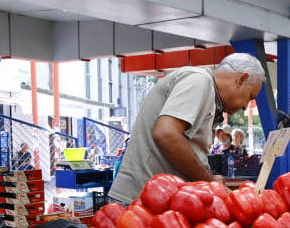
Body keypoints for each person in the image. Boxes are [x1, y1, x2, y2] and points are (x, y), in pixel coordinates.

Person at [109, 53, 264, 204]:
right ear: (241, 79)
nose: (245, 106)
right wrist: (209, 180)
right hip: (139, 201)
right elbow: (166, 134)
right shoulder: (199, 81)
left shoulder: (210, 95)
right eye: (250, 97)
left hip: (156, 202)